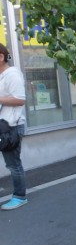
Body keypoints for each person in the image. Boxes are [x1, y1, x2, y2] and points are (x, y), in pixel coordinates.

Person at [0, 43, 27, 210]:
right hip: (3, 126)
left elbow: (20, 99)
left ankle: (20, 196)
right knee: (11, 162)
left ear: (1, 57)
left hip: (11, 127)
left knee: (13, 164)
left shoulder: (12, 75)